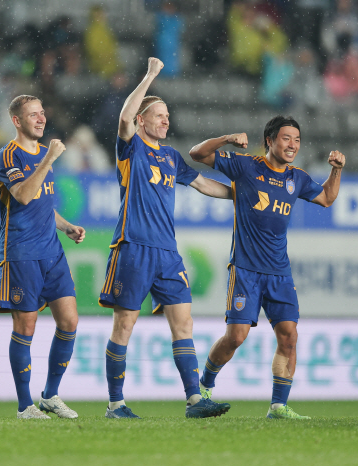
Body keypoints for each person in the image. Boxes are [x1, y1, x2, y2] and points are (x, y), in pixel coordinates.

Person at [99, 58, 232, 419]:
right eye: (159, 115)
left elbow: (204, 183)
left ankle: (194, 400)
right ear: (142, 120)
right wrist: (150, 76)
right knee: (125, 324)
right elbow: (125, 118)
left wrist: (242, 196)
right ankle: (115, 404)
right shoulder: (130, 147)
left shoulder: (172, 157)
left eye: (168, 115)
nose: (166, 120)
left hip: (166, 252)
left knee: (183, 323)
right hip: (133, 246)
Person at [188, 116, 346, 419]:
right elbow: (197, 154)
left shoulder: (296, 178)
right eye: (286, 138)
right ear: (269, 141)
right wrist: (227, 138)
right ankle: (204, 388)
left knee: (289, 336)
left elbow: (327, 197)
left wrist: (336, 169)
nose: (292, 145)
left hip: (280, 274)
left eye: (297, 140)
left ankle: (278, 406)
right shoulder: (246, 166)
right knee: (236, 337)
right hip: (245, 270)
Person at [0, 95, 86, 420]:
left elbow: (41, 202)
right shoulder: (8, 155)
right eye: (33, 114)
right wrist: (48, 159)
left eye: (43, 112)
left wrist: (66, 226)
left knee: (70, 320)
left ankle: (50, 395)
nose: (41, 118)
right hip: (21, 253)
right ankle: (24, 407)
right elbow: (22, 194)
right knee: (26, 325)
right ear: (17, 121)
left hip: (52, 252)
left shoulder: (41, 154)